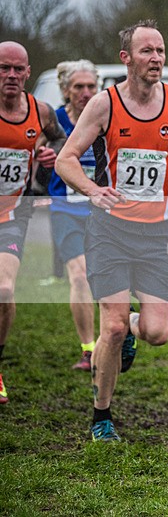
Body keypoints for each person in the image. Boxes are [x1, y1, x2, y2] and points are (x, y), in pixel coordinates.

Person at [55, 19, 168, 441]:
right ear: (126, 58)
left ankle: (131, 325)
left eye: (160, 50)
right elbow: (66, 159)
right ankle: (101, 416)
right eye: (147, 51)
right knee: (113, 327)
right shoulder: (103, 104)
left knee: (157, 332)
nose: (156, 58)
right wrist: (92, 190)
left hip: (156, 234)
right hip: (110, 232)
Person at [0, 41, 65, 405]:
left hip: (12, 212)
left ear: (27, 72)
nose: (11, 75)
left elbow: (61, 139)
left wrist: (51, 154)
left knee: (4, 290)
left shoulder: (40, 111)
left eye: (17, 69)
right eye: (3, 68)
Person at [47, 60, 100, 371]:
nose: (86, 92)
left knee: (104, 276)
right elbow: (30, 151)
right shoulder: (53, 121)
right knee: (79, 275)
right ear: (66, 90)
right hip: (65, 209)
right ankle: (88, 349)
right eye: (79, 87)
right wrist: (42, 158)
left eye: (91, 86)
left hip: (101, 211)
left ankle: (114, 339)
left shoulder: (105, 116)